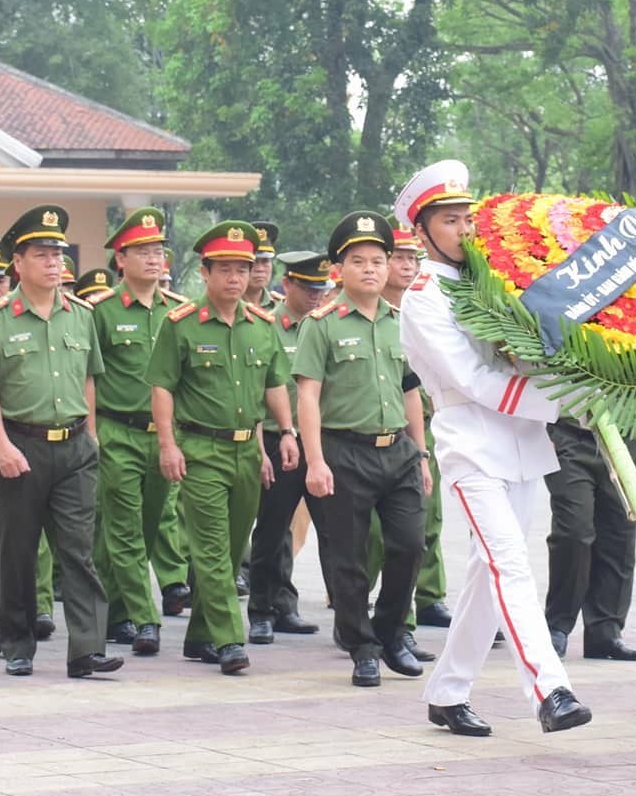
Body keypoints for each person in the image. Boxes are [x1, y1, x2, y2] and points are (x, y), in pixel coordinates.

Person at [397, 160, 588, 737]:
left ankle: (448, 692)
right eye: (450, 221)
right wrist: (562, 402)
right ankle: (550, 689)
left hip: (523, 444)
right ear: (423, 231)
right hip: (472, 444)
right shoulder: (425, 297)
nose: (464, 230)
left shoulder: (497, 285)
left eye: (467, 218)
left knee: (489, 573)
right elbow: (475, 381)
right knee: (510, 563)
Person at [0, 205, 119, 679]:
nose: (54, 262)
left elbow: (90, 379)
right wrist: (1, 446)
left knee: (78, 549)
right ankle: (17, 641)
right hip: (21, 447)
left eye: (58, 253)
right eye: (43, 253)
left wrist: (89, 435)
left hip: (74, 448)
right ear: (19, 262)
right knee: (18, 550)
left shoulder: (81, 316)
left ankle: (86, 648)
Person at [148, 222, 297, 676]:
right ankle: (230, 639)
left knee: (232, 548)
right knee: (211, 549)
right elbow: (162, 388)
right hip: (199, 449)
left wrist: (286, 433)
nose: (236, 278)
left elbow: (273, 385)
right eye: (226, 269)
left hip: (247, 451)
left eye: (243, 269)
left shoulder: (262, 326)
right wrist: (168, 445)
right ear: (207, 273)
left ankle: (199, 637)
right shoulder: (180, 325)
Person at [295, 211, 431, 687]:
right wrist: (315, 461)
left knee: (410, 544)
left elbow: (410, 389)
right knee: (348, 557)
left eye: (378, 260)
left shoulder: (402, 321)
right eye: (358, 261)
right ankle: (362, 647)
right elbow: (307, 395)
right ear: (340, 270)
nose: (370, 269)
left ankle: (393, 634)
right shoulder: (322, 324)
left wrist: (422, 453)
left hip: (398, 451)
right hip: (344, 452)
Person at [91, 208, 188, 656]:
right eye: (142, 252)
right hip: (118, 431)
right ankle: (142, 618)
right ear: (120, 258)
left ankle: (113, 610)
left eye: (158, 251)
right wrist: (91, 434)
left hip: (163, 436)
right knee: (124, 528)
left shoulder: (179, 312)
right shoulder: (102, 312)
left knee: (149, 526)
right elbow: (87, 378)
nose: (153, 259)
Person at [245, 250, 330, 643]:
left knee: (336, 533)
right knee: (273, 529)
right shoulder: (266, 327)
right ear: (287, 285)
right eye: (308, 289)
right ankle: (264, 609)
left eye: (321, 289)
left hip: (323, 442)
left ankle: (299, 607)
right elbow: (256, 386)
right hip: (277, 440)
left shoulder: (326, 325)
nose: (316, 296)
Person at [380, 224, 450, 628]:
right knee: (378, 528)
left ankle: (430, 596)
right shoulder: (376, 312)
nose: (407, 266)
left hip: (424, 422)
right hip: (380, 425)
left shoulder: (428, 305)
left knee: (429, 514)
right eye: (399, 257)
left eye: (413, 258)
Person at [544, 416, 636, 662]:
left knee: (619, 531)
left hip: (625, 431)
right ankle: (557, 624)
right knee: (573, 530)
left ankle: (605, 630)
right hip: (569, 431)